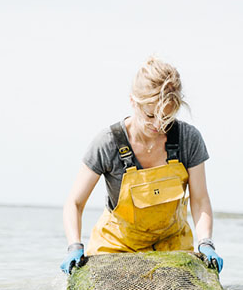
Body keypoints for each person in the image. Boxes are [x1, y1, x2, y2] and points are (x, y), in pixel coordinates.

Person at [61, 56, 223, 274]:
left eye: (166, 117)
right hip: (116, 247)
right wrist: (74, 245)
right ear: (132, 101)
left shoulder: (188, 139)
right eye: (150, 115)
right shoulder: (108, 142)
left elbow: (200, 199)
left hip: (171, 246)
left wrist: (206, 242)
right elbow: (74, 202)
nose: (158, 125)